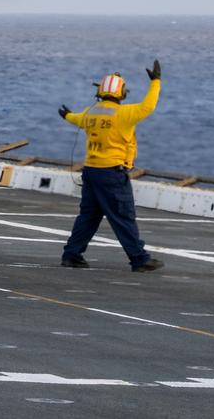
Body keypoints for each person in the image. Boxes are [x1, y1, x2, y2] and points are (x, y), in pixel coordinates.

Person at [57, 59, 163, 272]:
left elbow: (76, 119)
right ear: (121, 93)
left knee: (88, 216)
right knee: (123, 216)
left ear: (101, 91)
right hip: (112, 173)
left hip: (91, 172)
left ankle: (72, 255)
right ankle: (139, 259)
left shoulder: (91, 112)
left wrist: (67, 115)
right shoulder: (124, 114)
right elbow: (148, 106)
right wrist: (156, 82)